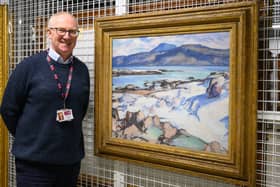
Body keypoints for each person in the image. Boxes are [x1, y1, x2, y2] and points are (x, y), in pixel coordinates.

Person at [0, 11, 90, 187]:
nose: (67, 36)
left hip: (69, 163)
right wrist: (30, 137)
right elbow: (8, 109)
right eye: (61, 30)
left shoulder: (81, 70)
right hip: (34, 165)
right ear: (49, 33)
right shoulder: (28, 67)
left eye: (73, 31)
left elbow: (81, 109)